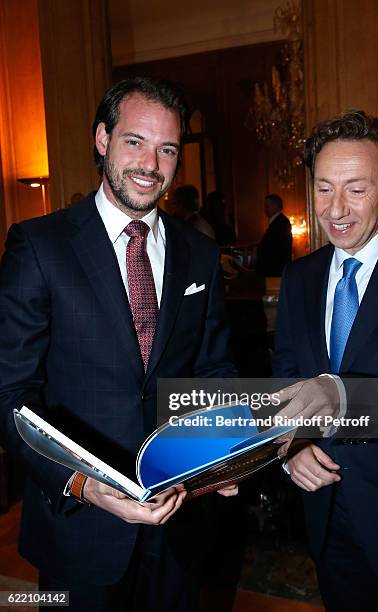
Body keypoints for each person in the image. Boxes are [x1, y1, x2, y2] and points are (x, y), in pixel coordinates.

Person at [0, 77, 238, 611]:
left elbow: (211, 370)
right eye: (135, 141)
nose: (150, 164)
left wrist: (223, 453)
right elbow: (9, 393)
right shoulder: (38, 246)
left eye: (168, 148)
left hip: (179, 527)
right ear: (103, 139)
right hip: (79, 531)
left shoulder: (199, 254)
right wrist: (82, 484)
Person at [272, 110, 378, 611]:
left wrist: (340, 394)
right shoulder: (300, 278)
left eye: (356, 188)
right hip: (328, 520)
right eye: (325, 188)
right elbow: (285, 382)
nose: (336, 209)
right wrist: (291, 450)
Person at [256, 194, 292, 277]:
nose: (265, 209)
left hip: (275, 270)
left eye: (268, 205)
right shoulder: (278, 221)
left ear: (275, 205)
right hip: (273, 269)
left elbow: (277, 247)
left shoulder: (281, 222)